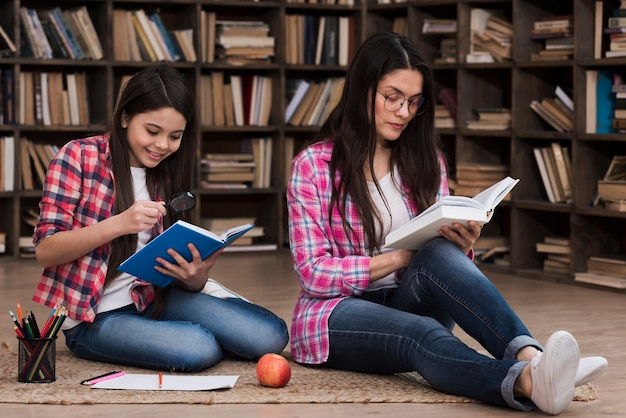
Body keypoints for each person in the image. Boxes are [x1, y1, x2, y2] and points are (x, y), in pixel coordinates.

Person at [286, 32, 607, 415]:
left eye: (413, 102)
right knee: (423, 333)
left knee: (439, 251)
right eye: (392, 97)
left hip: (408, 296)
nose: (403, 112)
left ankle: (531, 354)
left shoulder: (426, 161)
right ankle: (527, 381)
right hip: (337, 313)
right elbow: (312, 273)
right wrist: (398, 259)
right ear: (362, 90)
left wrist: (461, 241)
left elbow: (439, 261)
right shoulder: (314, 166)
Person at [32, 64, 288, 372]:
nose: (162, 145)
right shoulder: (78, 156)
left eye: (175, 136)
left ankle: (186, 335)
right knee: (199, 346)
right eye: (152, 131)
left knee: (271, 337)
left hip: (154, 300)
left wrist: (195, 279)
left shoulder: (167, 171)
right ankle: (193, 338)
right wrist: (119, 223)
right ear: (125, 117)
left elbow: (170, 265)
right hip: (94, 317)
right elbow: (46, 250)